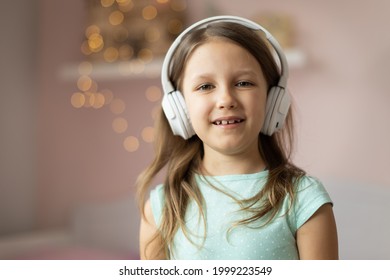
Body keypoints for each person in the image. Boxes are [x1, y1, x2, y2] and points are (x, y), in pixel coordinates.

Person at [137, 15, 338, 260]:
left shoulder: (304, 199)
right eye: (205, 86)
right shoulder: (162, 208)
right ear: (179, 108)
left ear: (273, 100)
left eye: (243, 83)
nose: (226, 100)